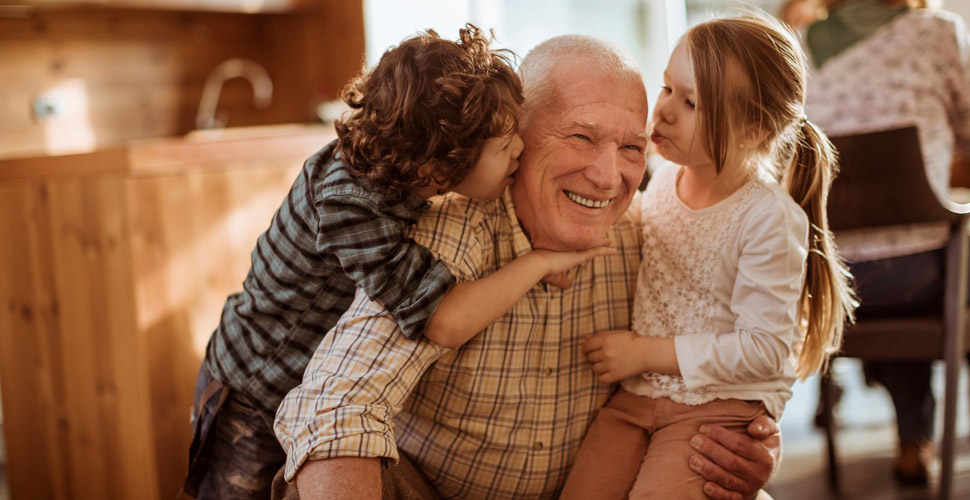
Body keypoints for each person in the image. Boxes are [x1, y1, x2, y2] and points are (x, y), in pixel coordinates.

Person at [273, 34, 783, 500]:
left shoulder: (651, 236)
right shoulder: (450, 233)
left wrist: (750, 436)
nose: (608, 178)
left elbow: (739, 349)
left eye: (631, 147)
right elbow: (335, 410)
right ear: (515, 137)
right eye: (581, 138)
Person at [181, 25, 613, 500]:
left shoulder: (397, 173)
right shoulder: (351, 204)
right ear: (439, 164)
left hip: (287, 381)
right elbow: (445, 320)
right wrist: (537, 263)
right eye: (504, 145)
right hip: (254, 388)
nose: (521, 149)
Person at [557, 14, 856, 500]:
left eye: (692, 102)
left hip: (718, 409)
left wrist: (641, 351)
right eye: (667, 88)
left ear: (753, 128)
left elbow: (762, 348)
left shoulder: (767, 218)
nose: (665, 111)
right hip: (636, 398)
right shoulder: (659, 179)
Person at [803, 0, 970, 484]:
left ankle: (913, 437)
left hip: (832, 278)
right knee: (942, 257)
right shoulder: (937, 33)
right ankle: (914, 438)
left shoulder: (797, 45)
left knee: (896, 259)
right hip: (922, 276)